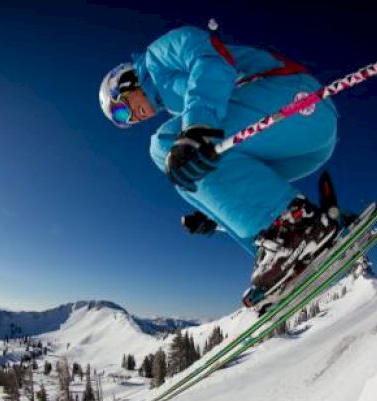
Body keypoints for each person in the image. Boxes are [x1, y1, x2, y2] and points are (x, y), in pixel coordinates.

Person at [99, 25, 341, 305]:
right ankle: (290, 256)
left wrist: (198, 124)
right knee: (186, 170)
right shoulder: (177, 101)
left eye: (121, 109)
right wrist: (215, 212)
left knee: (165, 145)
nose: (132, 118)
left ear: (126, 82)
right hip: (305, 142)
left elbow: (211, 57)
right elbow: (233, 182)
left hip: (292, 96)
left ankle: (294, 232)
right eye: (123, 121)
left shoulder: (157, 57)